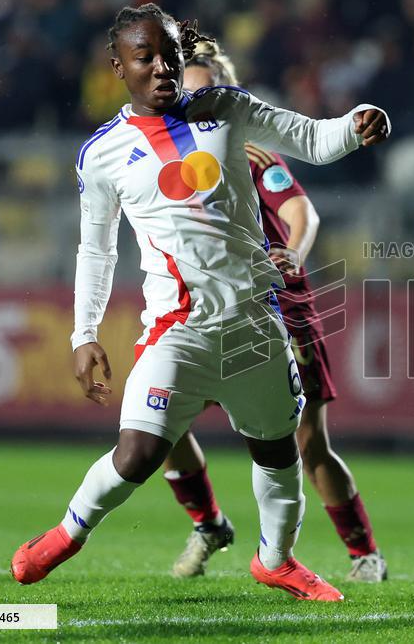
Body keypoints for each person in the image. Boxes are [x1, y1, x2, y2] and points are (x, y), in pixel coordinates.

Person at [9, 4, 390, 603]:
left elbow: (310, 139)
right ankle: (65, 534)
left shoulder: (226, 108)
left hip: (252, 325)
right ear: (118, 67)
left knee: (276, 450)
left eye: (170, 56)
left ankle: (277, 561)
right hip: (177, 330)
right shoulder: (102, 154)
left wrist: (355, 124)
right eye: (146, 59)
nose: (162, 69)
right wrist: (83, 336)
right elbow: (96, 250)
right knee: (136, 453)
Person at [162, 39, 386, 582]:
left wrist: (294, 252)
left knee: (308, 442)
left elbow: (299, 211)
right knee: (161, 425)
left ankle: (364, 555)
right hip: (203, 305)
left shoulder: (252, 150)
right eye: (188, 87)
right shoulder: (162, 153)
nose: (197, 96)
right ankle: (209, 523)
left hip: (275, 302)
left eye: (207, 85)